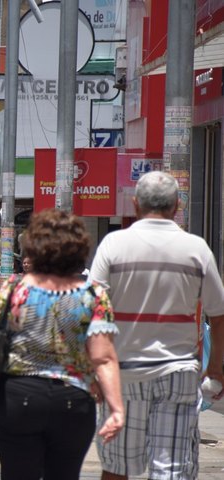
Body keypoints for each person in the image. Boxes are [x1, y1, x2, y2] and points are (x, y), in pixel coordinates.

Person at [0, 209, 124, 480]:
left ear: (33, 247)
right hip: (73, 402)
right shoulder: (94, 295)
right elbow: (104, 358)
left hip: (19, 399)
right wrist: (116, 408)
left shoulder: (14, 289)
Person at [89, 171, 224, 480]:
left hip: (121, 373)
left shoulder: (113, 245)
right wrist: (215, 367)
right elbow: (218, 316)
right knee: (171, 470)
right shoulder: (196, 249)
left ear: (136, 205)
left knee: (116, 466)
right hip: (176, 374)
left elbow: (92, 311)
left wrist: (91, 371)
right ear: (177, 206)